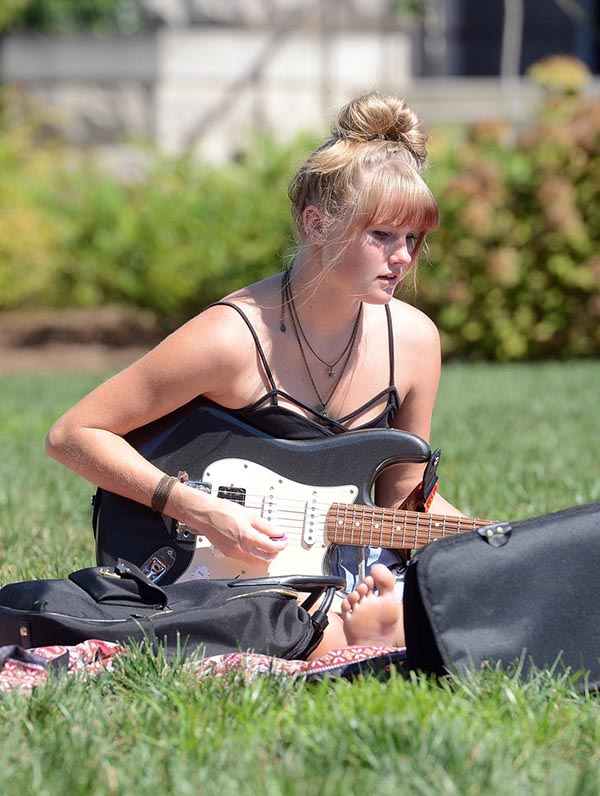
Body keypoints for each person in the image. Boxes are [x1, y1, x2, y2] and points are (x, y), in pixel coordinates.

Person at [46, 90, 466, 657]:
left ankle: (357, 626)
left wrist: (493, 541)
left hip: (338, 562)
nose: (404, 258)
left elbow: (403, 497)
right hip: (198, 563)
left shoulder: (414, 340)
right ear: (317, 224)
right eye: (383, 236)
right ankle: (356, 634)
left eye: (413, 239)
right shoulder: (232, 336)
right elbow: (73, 436)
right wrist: (197, 508)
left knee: (471, 594)